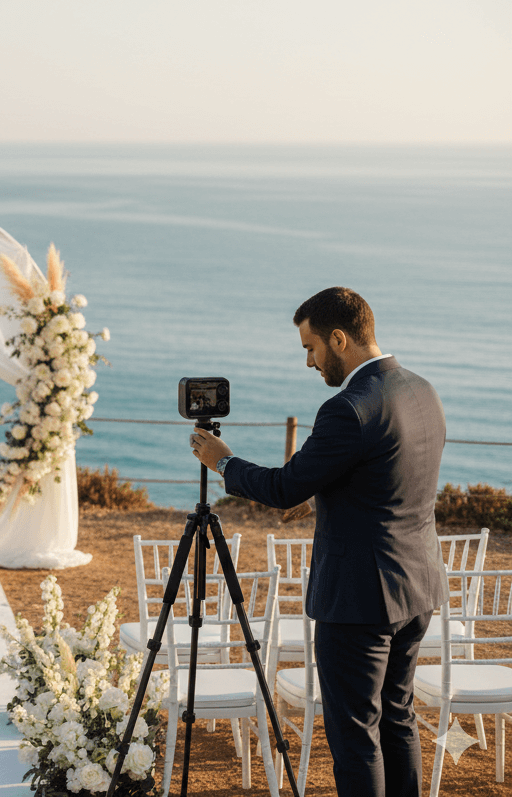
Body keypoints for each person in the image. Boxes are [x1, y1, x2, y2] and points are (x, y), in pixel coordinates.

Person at [190, 286, 445, 797]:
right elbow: (388, 478)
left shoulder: (348, 408)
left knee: (355, 735)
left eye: (311, 348)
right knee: (396, 716)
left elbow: (284, 488)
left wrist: (224, 461)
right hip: (417, 587)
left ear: (339, 338)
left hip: (359, 599)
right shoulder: (422, 390)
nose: (309, 361)